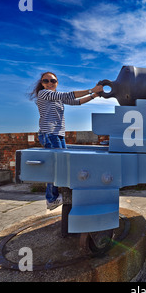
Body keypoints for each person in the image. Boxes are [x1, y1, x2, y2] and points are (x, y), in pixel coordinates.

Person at [29, 71, 104, 210]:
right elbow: (67, 95)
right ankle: (51, 199)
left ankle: (57, 196)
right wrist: (92, 89)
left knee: (62, 165)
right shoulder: (44, 94)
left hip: (57, 134)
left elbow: (77, 102)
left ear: (57, 83)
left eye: (53, 81)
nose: (50, 83)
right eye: (46, 81)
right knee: (57, 166)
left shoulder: (55, 98)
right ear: (42, 83)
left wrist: (94, 95)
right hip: (50, 134)